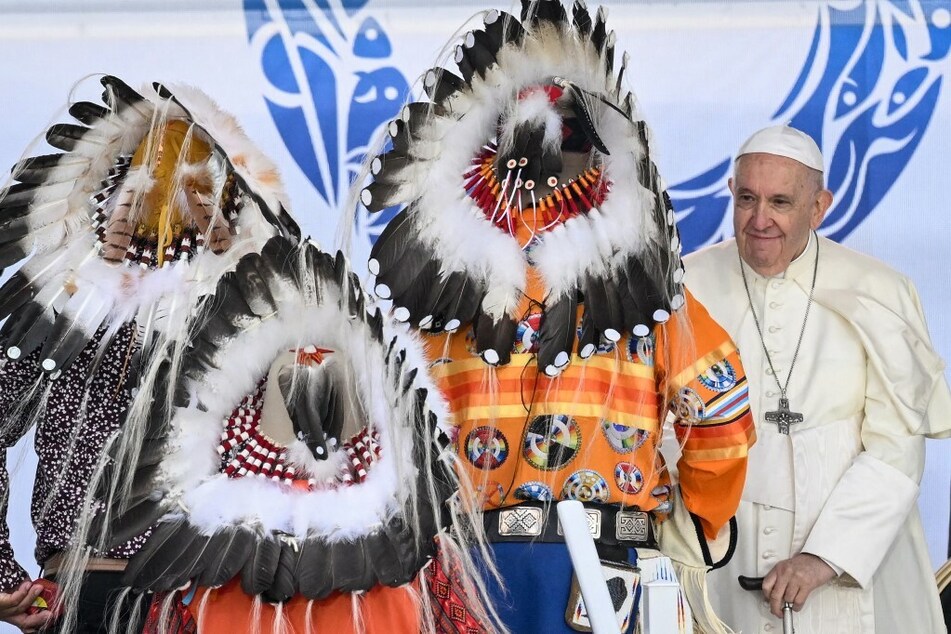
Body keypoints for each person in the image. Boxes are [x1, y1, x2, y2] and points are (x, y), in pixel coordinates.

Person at [355, 2, 756, 631]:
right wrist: (695, 517)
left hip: (473, 577)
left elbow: (389, 438)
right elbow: (723, 418)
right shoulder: (646, 284)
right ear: (601, 160)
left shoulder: (432, 285)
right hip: (604, 568)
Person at [0, 75, 294, 632]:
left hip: (211, 594)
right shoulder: (68, 314)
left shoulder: (257, 323)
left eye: (199, 204)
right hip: (101, 586)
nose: (170, 216)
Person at [685, 124, 951, 633]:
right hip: (717, 562)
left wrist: (824, 558)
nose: (760, 220)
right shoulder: (685, 284)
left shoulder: (879, 290)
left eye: (781, 202)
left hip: (849, 565)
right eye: (746, 198)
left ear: (819, 206)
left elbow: (897, 448)